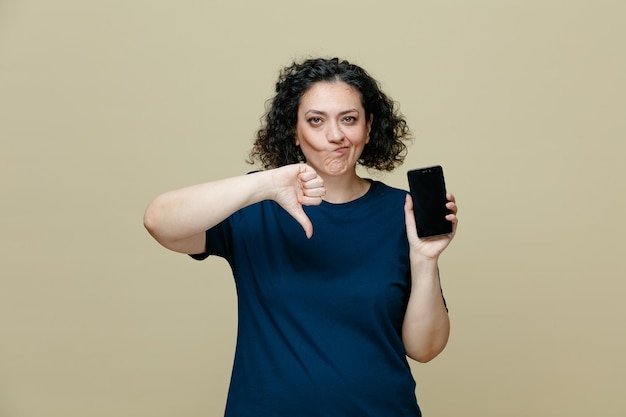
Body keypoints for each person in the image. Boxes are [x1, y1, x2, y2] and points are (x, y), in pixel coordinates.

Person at [143, 57, 458, 417]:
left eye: (349, 119)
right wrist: (263, 182)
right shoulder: (255, 206)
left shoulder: (402, 212)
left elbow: (426, 348)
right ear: (294, 130)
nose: (335, 135)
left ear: (369, 128)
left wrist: (425, 259)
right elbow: (158, 221)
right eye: (315, 120)